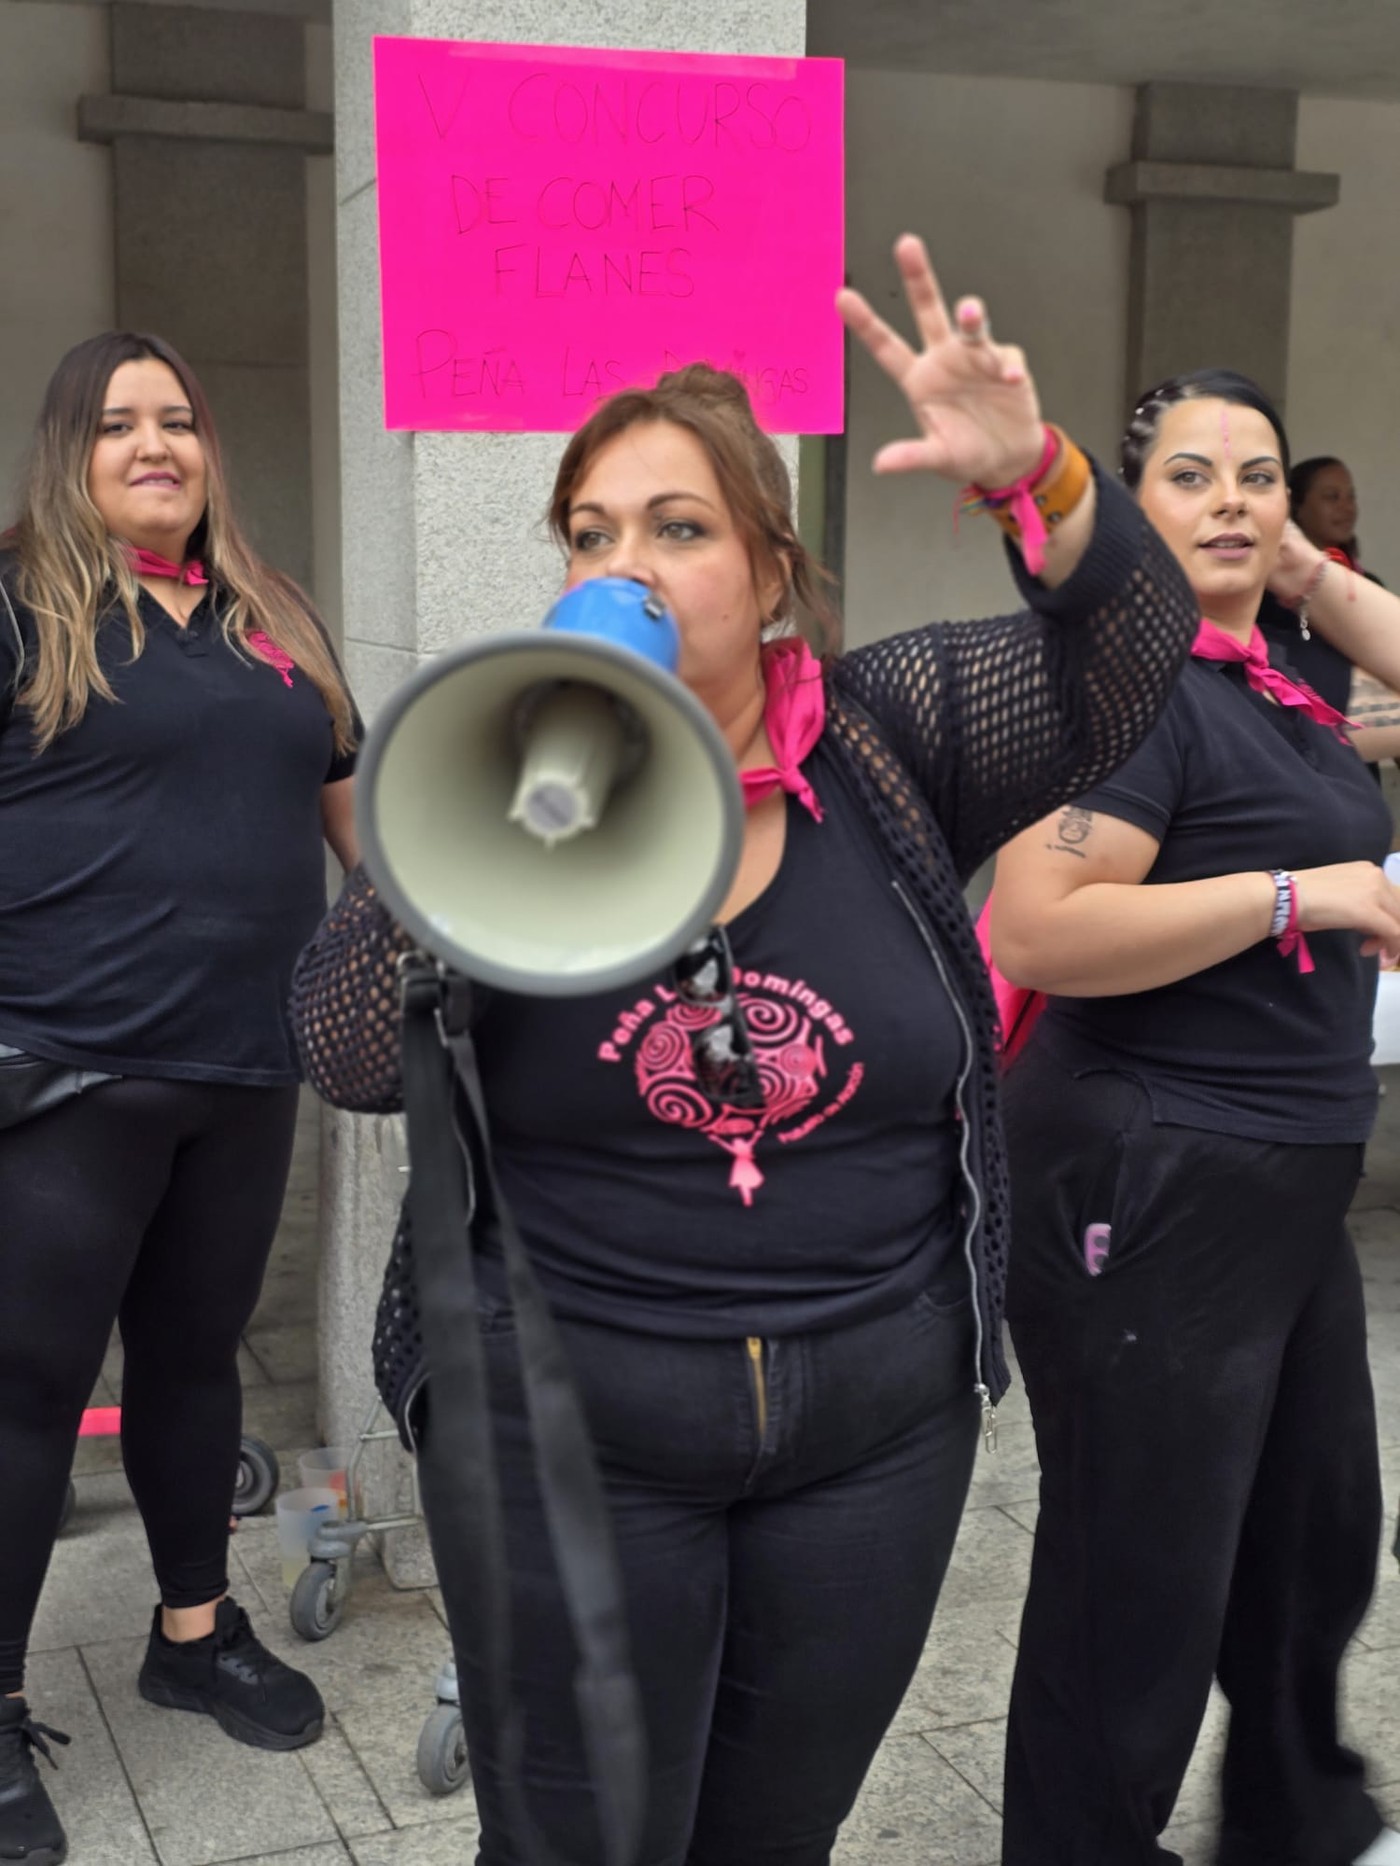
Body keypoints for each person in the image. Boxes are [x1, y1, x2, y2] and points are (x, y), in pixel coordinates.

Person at [291, 234, 1198, 1866]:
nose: (624, 566)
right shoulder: (503, 775)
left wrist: (1046, 484)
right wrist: (508, 801)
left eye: (679, 527)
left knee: (771, 1831)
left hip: (876, 1425)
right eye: (590, 533)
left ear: (772, 575)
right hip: (567, 1425)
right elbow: (348, 1045)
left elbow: (1126, 666)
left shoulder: (890, 737)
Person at [989, 368, 1400, 1866]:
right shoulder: (1128, 686)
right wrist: (1302, 894)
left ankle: (1297, 1818)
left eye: (1260, 473)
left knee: (1311, 1531)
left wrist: (1304, 568)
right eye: (1190, 477)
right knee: (1140, 1574)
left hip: (1283, 1187)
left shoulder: (1279, 670)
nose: (1230, 496)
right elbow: (1036, 922)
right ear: (1126, 513)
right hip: (1150, 1175)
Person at [0, 331, 360, 1865]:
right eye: (119, 425)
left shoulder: (271, 620)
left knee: (198, 1364)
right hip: (62, 1078)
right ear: (69, 453)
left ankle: (193, 1629)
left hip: (246, 1066)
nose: (157, 446)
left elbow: (357, 821)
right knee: (20, 1399)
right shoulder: (19, 607)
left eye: (180, 423)